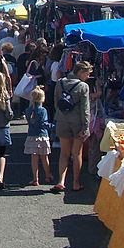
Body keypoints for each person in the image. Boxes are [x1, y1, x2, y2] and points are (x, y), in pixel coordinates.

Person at [52, 61, 92, 193]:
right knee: (76, 153)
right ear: (80, 72)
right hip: (77, 122)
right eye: (87, 73)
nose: (88, 76)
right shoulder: (83, 86)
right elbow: (85, 109)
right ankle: (76, 182)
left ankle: (61, 181)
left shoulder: (60, 83)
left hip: (62, 120)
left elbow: (56, 102)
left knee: (64, 153)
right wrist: (86, 126)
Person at [24, 86, 53, 186]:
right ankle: (48, 175)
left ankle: (35, 179)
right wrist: (54, 127)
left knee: (34, 158)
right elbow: (44, 124)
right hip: (42, 135)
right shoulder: (43, 110)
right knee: (44, 158)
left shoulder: (28, 110)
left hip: (32, 136)